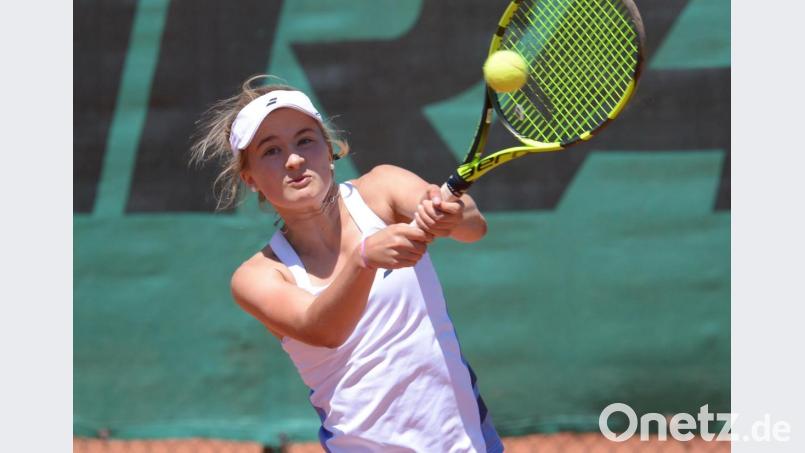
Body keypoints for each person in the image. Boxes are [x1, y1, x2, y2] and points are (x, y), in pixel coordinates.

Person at [191, 75, 504, 452]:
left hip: (467, 442)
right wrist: (363, 259)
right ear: (251, 178)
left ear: (330, 150)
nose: (293, 160)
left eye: (305, 141)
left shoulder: (382, 190)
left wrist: (452, 214)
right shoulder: (257, 276)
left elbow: (473, 228)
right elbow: (323, 330)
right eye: (271, 151)